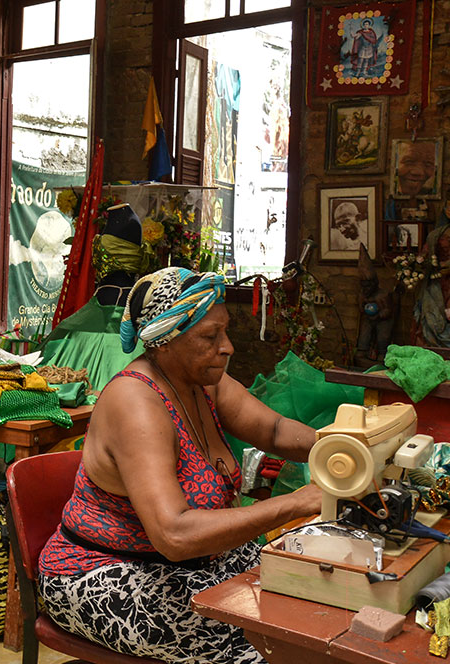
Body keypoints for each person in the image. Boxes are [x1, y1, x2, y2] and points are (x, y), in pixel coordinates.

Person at [37, 267, 320, 663]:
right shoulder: (136, 404)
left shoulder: (203, 384)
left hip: (190, 564)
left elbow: (273, 431)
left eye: (224, 332)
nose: (227, 347)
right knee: (260, 648)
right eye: (209, 337)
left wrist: (344, 446)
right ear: (164, 342)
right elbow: (173, 534)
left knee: (307, 601)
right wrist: (296, 502)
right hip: (106, 574)